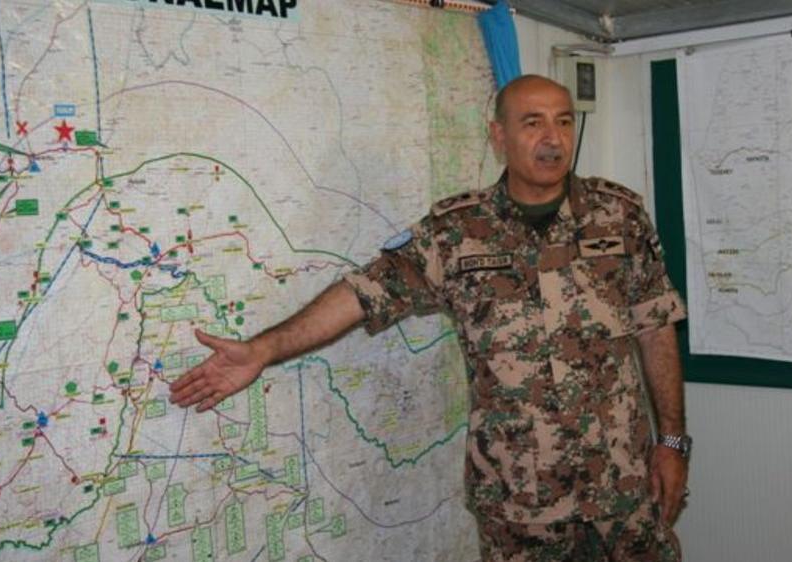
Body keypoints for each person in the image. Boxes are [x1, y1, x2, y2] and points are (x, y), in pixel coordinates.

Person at [170, 74, 690, 561]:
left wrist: (672, 442)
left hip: (623, 485)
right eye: (533, 123)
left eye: (563, 121)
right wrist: (262, 349)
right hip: (520, 500)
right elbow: (362, 293)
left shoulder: (619, 215)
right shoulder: (455, 231)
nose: (552, 138)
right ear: (499, 136)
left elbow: (656, 326)